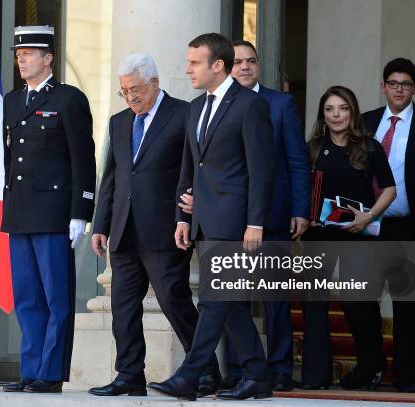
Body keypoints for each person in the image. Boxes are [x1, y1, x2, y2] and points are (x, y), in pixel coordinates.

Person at [147, 32, 275, 401]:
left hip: (236, 222)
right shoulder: (195, 107)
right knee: (230, 302)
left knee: (215, 298)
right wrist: (183, 217)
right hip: (203, 220)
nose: (187, 69)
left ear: (218, 65)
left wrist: (256, 223)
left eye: (194, 62)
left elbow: (260, 170)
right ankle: (257, 374)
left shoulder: (250, 106)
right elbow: (190, 167)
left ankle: (191, 374)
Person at [88, 53, 216, 397]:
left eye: (136, 89)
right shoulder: (118, 122)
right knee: (123, 306)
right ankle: (129, 374)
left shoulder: (185, 114)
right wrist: (100, 224)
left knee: (174, 299)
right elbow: (111, 178)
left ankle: (203, 369)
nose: (130, 97)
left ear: (155, 84)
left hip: (165, 229)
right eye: (124, 91)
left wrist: (185, 218)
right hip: (123, 229)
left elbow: (193, 170)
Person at [0, 25, 96, 393]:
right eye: (18, 54)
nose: (21, 59)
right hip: (21, 211)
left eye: (29, 53)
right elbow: (11, 160)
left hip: (55, 212)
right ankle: (31, 369)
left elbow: (82, 160)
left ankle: (51, 373)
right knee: (27, 297)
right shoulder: (12, 100)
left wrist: (80, 212)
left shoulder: (69, 99)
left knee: (57, 297)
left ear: (49, 58)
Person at [342, 58, 415, 392]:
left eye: (406, 84)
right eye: (393, 83)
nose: (399, 89)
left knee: (410, 307)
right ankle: (370, 366)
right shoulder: (366, 122)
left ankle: (408, 377)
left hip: (410, 227)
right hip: (366, 227)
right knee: (359, 301)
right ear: (383, 86)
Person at [218, 40, 311, 392]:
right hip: (229, 219)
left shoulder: (280, 102)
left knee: (275, 299)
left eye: (250, 61)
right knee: (233, 299)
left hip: (273, 216)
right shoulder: (219, 105)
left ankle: (280, 367)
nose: (244, 67)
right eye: (238, 62)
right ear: (227, 66)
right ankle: (239, 368)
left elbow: (297, 161)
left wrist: (300, 209)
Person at [302, 86, 396, 390]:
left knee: (358, 305)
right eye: (329, 109)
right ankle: (316, 376)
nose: (336, 115)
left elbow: (390, 189)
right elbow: (302, 186)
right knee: (314, 303)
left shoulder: (369, 147)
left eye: (342, 108)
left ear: (352, 112)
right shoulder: (314, 147)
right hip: (319, 235)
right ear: (323, 114)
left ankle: (370, 367)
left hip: (359, 235)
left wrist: (368, 217)